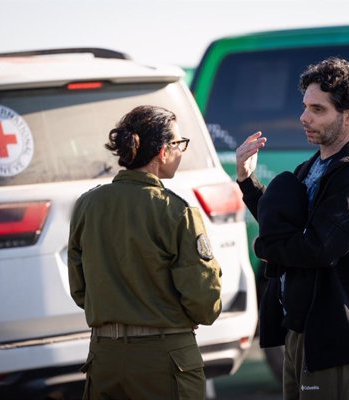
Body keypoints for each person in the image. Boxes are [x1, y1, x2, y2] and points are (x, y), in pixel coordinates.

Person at [235, 58, 349, 400]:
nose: (304, 117)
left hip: (335, 330)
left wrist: (264, 249)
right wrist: (248, 182)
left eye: (317, 109)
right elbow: (284, 224)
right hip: (302, 324)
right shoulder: (314, 166)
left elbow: (319, 248)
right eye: (305, 107)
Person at [68, 105, 222, 400]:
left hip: (105, 357)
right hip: (164, 360)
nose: (181, 151)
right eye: (178, 144)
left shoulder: (88, 205)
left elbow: (80, 290)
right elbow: (205, 303)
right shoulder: (177, 211)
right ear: (162, 152)